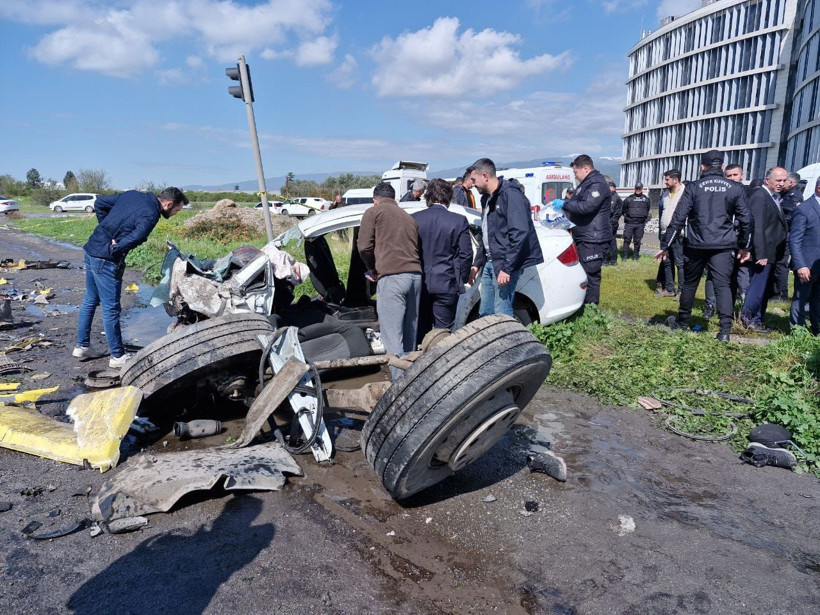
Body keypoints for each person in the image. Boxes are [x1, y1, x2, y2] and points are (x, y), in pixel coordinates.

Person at [74, 187, 188, 368]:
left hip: (92, 250)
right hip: (106, 259)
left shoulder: (132, 194)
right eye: (177, 210)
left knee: (90, 299)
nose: (175, 214)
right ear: (168, 204)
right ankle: (117, 357)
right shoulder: (151, 214)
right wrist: (116, 247)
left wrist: (106, 230)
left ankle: (82, 346)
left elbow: (100, 203)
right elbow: (137, 236)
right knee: (111, 308)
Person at [656, 150, 751, 342]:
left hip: (696, 244)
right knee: (722, 286)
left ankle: (683, 322)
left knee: (690, 284)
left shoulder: (693, 187)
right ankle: (724, 330)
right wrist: (744, 246)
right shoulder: (735, 188)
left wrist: (665, 245)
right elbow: (746, 220)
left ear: (702, 167)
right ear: (722, 166)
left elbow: (678, 218)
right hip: (724, 245)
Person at [357, 182, 422, 379]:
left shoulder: (373, 212)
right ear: (394, 199)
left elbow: (364, 246)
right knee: (410, 336)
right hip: (415, 277)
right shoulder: (409, 218)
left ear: (375, 200)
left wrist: (373, 268)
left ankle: (399, 385)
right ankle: (412, 381)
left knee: (393, 337)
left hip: (392, 278)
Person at [468, 158, 543, 317]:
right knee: (485, 312)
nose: (472, 184)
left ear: (485, 176)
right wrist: (476, 264)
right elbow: (487, 234)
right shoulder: (487, 198)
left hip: (504, 264)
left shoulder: (511, 195)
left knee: (501, 312)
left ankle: (506, 334)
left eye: (474, 180)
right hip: (490, 263)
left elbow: (519, 233)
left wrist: (507, 268)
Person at [412, 179, 472, 341]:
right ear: (449, 197)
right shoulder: (458, 220)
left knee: (420, 331)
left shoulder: (414, 219)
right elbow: (466, 254)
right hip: (447, 282)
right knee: (443, 334)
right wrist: (462, 279)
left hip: (420, 283)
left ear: (428, 196)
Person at [740, 167, 788, 332]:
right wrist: (761, 253)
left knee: (765, 288)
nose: (781, 183)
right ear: (767, 180)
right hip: (763, 252)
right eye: (778, 180)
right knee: (758, 287)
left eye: (784, 180)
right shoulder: (760, 196)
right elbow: (757, 226)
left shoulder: (772, 196)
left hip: (772, 251)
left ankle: (758, 319)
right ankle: (747, 318)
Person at [562, 155, 613, 304]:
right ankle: (582, 305)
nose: (575, 176)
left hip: (593, 239)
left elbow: (586, 207)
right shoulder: (585, 185)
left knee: (590, 275)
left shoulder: (597, 184)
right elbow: (575, 205)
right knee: (581, 274)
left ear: (585, 168)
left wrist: (564, 204)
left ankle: (591, 308)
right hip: (584, 237)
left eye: (576, 172)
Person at [789, 176, 820, 335]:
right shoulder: (804, 209)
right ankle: (797, 332)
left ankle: (817, 330)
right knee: (801, 298)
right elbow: (795, 240)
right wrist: (800, 265)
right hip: (807, 265)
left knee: (818, 300)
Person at [773, 171, 803, 301]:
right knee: (776, 264)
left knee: (781, 265)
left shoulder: (794, 196)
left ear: (791, 183)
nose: (781, 183)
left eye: (784, 181)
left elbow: (791, 216)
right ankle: (775, 291)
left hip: (786, 235)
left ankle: (781, 294)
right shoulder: (783, 195)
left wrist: (775, 218)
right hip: (779, 234)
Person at [656, 169, 684, 296]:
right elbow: (662, 212)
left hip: (678, 234)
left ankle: (681, 291)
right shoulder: (665, 194)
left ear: (675, 180)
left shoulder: (685, 193)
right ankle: (669, 289)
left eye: (667, 179)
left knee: (680, 263)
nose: (665, 182)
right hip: (664, 233)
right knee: (666, 261)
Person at [621, 182, 651, 261]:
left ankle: (635, 256)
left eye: (639, 188)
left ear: (642, 189)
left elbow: (647, 210)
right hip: (630, 223)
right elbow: (623, 209)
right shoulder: (629, 199)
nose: (638, 190)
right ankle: (625, 256)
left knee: (637, 241)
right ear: (634, 189)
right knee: (627, 240)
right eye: (637, 188)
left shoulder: (646, 199)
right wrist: (627, 217)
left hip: (640, 224)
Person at [605, 180, 622, 266]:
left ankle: (613, 260)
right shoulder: (607, 196)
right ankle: (606, 260)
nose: (608, 189)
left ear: (614, 188)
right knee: (606, 241)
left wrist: (612, 221)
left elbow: (614, 211)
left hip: (612, 223)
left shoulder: (616, 198)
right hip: (606, 222)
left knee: (611, 241)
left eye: (610, 187)